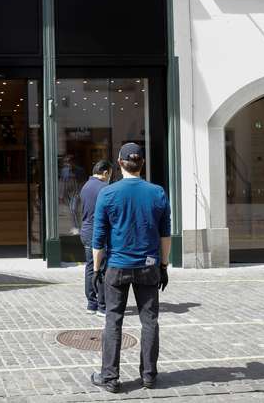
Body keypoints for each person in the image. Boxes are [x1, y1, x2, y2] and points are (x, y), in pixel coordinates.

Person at [90, 143, 170, 393]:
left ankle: (110, 377)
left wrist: (95, 269)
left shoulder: (108, 193)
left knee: (113, 320)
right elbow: (165, 234)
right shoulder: (157, 192)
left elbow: (99, 237)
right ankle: (148, 375)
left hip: (117, 265)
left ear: (119, 163)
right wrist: (164, 265)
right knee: (150, 321)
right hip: (148, 265)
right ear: (142, 163)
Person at [80, 160, 113, 316]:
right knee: (101, 268)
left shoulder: (85, 186)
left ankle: (91, 304)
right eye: (110, 175)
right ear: (105, 173)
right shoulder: (105, 188)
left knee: (90, 267)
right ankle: (102, 305)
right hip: (98, 233)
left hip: (86, 231)